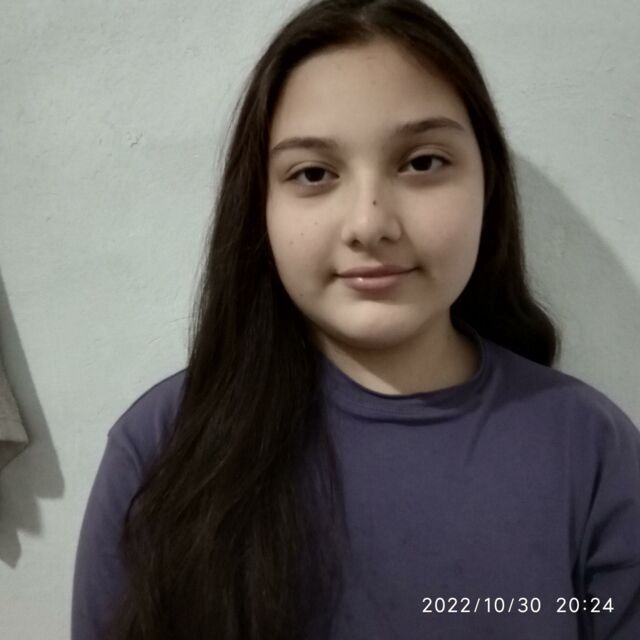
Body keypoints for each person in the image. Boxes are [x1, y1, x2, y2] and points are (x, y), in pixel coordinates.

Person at [71, 1, 640, 638]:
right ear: (260, 206)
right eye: (313, 173)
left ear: (488, 185)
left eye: (422, 162)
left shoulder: (589, 447)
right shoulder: (161, 447)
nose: (369, 224)